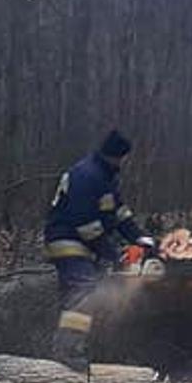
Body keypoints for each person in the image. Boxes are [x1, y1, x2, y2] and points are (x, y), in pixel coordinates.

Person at [43, 130, 157, 317]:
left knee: (96, 290)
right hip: (67, 240)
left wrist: (138, 237)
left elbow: (119, 213)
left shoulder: (105, 176)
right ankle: (68, 344)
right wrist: (113, 255)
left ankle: (91, 340)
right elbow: (86, 225)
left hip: (85, 243)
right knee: (82, 295)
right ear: (118, 156)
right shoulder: (87, 176)